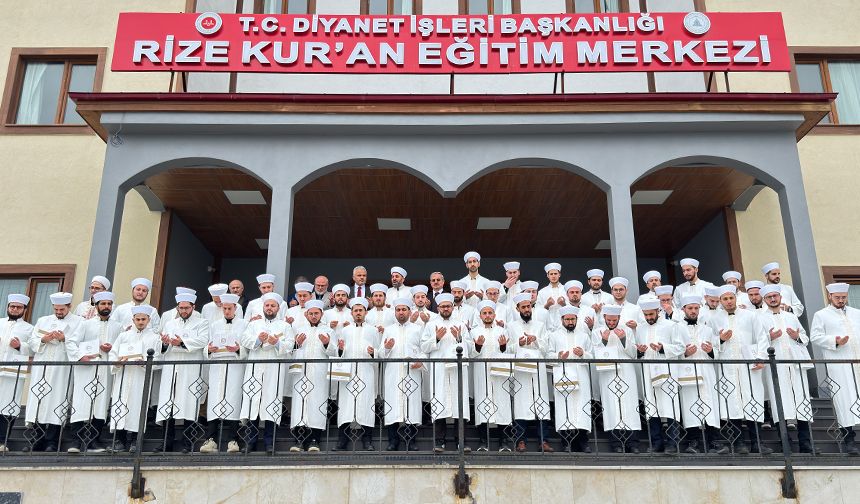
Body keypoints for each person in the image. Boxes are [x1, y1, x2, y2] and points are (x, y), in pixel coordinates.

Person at [709, 285, 772, 454]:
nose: (729, 302)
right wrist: (720, 340)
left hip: (748, 366)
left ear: (735, 298)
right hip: (727, 367)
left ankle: (757, 442)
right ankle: (738, 443)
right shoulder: (713, 318)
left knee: (753, 400)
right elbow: (708, 342)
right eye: (725, 299)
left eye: (731, 298)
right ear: (720, 301)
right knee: (732, 403)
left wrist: (760, 358)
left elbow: (762, 338)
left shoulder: (750, 316)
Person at [756, 284, 815, 453]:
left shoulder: (791, 317)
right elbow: (756, 341)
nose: (773, 299)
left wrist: (797, 337)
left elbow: (805, 337)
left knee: (802, 401)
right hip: (775, 367)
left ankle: (805, 442)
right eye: (769, 297)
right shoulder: (760, 318)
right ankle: (785, 442)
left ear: (780, 297)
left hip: (795, 364)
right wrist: (770, 337)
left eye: (775, 296)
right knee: (779, 401)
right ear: (765, 300)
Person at [65, 291, 122, 453]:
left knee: (100, 404)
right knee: (81, 403)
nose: (106, 307)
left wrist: (112, 349)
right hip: (87, 370)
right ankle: (76, 442)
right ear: (96, 306)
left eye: (109, 304)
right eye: (103, 304)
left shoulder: (118, 327)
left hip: (105, 370)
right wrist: (80, 356)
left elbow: (121, 346)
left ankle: (93, 442)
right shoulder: (85, 324)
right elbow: (71, 342)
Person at [25, 292, 82, 452]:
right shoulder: (43, 320)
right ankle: (36, 439)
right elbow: (32, 341)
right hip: (42, 367)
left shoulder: (79, 322)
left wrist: (64, 339)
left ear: (69, 307)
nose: (58, 312)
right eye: (56, 309)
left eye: (61, 309)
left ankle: (51, 441)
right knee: (39, 401)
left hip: (61, 369)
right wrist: (44, 339)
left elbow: (78, 343)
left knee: (57, 402)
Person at [155, 292, 210, 453]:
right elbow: (162, 347)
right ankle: (167, 442)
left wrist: (182, 342)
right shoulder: (170, 323)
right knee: (168, 403)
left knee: (189, 403)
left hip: (190, 369)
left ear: (193, 307)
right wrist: (165, 344)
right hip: (172, 367)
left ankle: (188, 443)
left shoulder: (202, 323)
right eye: (181, 308)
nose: (184, 311)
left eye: (187, 308)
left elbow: (203, 340)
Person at [671, 294, 725, 454]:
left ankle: (713, 441)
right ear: (683, 310)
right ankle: (693, 442)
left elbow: (718, 349)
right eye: (690, 308)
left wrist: (711, 351)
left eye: (696, 308)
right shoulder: (677, 328)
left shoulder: (707, 329)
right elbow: (673, 349)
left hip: (706, 370)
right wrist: (685, 353)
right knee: (690, 403)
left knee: (710, 403)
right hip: (687, 370)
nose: (693, 311)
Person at [810, 282, 860, 455]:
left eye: (843, 298)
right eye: (837, 298)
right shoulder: (821, 315)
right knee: (844, 399)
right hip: (839, 364)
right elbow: (815, 336)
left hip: (858, 361)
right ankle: (849, 440)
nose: (841, 300)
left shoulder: (856, 313)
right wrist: (835, 341)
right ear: (830, 296)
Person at [240, 293, 292, 453]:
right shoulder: (254, 324)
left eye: (273, 306)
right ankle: (250, 442)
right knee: (253, 402)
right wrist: (258, 340)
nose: (269, 308)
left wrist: (276, 343)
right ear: (263, 307)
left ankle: (270, 442)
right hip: (255, 369)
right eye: (267, 306)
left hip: (274, 370)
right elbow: (244, 340)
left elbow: (290, 345)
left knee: (272, 403)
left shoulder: (285, 326)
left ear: (278, 308)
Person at [420, 293, 472, 452]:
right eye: (443, 306)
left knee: (459, 403)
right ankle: (439, 442)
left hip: (457, 371)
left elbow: (469, 347)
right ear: (438, 308)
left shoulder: (461, 325)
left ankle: (461, 442)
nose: (446, 309)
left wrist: (459, 339)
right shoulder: (430, 325)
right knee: (439, 402)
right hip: (440, 370)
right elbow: (424, 347)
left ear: (452, 307)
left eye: (448, 306)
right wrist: (435, 338)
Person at [108, 305, 161, 453]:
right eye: (137, 319)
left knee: (138, 407)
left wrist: (144, 362)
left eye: (143, 319)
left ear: (149, 319)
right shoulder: (123, 336)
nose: (140, 322)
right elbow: (113, 353)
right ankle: (119, 440)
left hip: (140, 377)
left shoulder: (154, 338)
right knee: (120, 405)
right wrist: (118, 362)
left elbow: (158, 359)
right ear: (133, 319)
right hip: (123, 376)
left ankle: (135, 441)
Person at [634, 298, 683, 454]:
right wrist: (640, 351)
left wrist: (663, 348)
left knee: (670, 405)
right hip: (648, 370)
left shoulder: (671, 326)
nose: (649, 318)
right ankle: (656, 443)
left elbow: (680, 347)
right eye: (646, 315)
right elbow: (636, 350)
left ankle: (672, 443)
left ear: (658, 311)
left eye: (651, 314)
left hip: (667, 370)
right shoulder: (640, 329)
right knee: (651, 406)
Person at [199, 294, 246, 454]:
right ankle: (210, 439)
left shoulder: (243, 324)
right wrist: (209, 349)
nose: (226, 311)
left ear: (235, 309)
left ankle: (233, 440)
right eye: (224, 309)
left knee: (232, 399)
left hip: (234, 367)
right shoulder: (214, 325)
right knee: (215, 400)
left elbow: (247, 347)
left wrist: (238, 349)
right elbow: (206, 346)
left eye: (229, 308)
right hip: (218, 366)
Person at [591, 304, 640, 453]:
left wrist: (624, 339)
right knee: (611, 406)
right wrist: (604, 341)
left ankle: (633, 442)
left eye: (614, 320)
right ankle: (616, 443)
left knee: (629, 406)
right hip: (608, 373)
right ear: (604, 318)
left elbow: (634, 353)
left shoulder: (627, 331)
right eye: (609, 320)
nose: (611, 323)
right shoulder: (597, 332)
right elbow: (594, 353)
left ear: (619, 318)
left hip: (626, 372)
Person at [508, 293, 553, 452]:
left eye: (529, 306)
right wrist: (518, 343)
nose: (527, 309)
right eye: (523, 307)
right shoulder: (511, 326)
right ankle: (520, 440)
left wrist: (536, 339)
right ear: (517, 308)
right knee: (521, 403)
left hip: (537, 368)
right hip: (521, 369)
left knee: (541, 402)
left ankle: (544, 440)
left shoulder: (540, 325)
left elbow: (547, 349)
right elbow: (508, 349)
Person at [332, 298, 379, 451]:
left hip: (366, 371)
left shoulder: (373, 330)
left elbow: (381, 351)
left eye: (361, 310)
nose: (358, 313)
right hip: (349, 372)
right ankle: (342, 441)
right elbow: (339, 353)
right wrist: (340, 350)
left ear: (365, 312)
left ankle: (367, 440)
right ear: (351, 313)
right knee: (346, 405)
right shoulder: (345, 330)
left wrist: (374, 353)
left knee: (366, 404)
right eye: (355, 310)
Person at [378, 298, 424, 452]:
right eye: (398, 310)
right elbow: (380, 354)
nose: (401, 312)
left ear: (409, 312)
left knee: (411, 406)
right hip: (393, 374)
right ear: (395, 312)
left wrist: (420, 362)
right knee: (393, 407)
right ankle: (393, 441)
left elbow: (424, 351)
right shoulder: (389, 330)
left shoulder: (417, 329)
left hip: (411, 373)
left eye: (404, 309)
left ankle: (411, 441)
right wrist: (386, 348)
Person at [548, 305, 594, 453]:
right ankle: (566, 442)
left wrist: (583, 354)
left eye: (572, 319)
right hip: (563, 374)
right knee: (565, 409)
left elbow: (592, 356)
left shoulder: (584, 336)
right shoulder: (554, 336)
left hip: (581, 376)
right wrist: (558, 357)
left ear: (576, 319)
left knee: (582, 408)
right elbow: (547, 356)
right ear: (562, 319)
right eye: (567, 319)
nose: (570, 321)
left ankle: (583, 442)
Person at [470, 300, 514, 452]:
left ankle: (504, 442)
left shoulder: (502, 331)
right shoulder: (474, 331)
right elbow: (470, 353)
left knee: (502, 403)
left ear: (494, 315)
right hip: (481, 372)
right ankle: (484, 442)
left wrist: (503, 347)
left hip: (499, 373)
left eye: (490, 313)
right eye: (485, 313)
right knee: (483, 404)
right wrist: (477, 346)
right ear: (480, 315)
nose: (487, 316)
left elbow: (511, 351)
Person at [287, 299, 330, 452]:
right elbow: (288, 350)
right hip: (301, 374)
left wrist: (327, 343)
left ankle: (314, 440)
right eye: (311, 313)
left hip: (318, 374)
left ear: (321, 314)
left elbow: (334, 352)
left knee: (317, 406)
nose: (313, 316)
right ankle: (298, 439)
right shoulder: (298, 329)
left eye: (316, 313)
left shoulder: (328, 331)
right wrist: (296, 343)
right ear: (306, 314)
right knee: (301, 405)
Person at [0, 294, 33, 452]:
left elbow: (34, 348)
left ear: (24, 310)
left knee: (9, 407)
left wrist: (21, 346)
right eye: (12, 306)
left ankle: (2, 441)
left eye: (18, 307)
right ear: (8, 307)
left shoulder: (29, 328)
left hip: (14, 373)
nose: (14, 309)